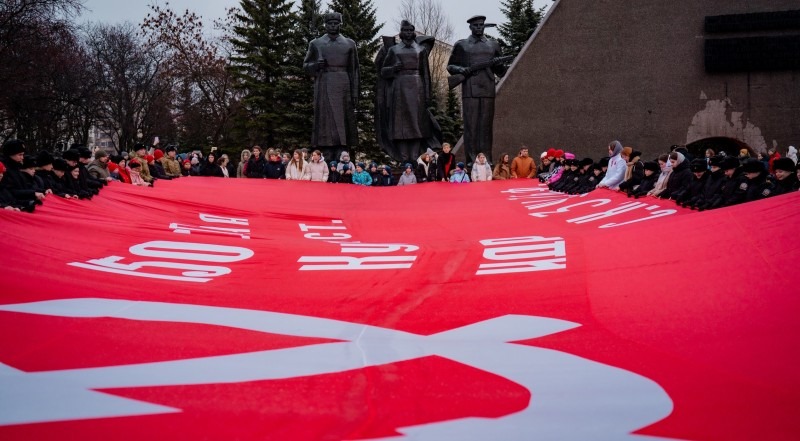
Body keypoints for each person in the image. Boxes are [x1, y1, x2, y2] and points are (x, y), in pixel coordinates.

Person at [447, 15, 507, 164]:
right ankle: (471, 158)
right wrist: (464, 70)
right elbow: (450, 66)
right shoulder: (462, 45)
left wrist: (497, 64)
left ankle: (486, 158)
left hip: (487, 89)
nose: (479, 27)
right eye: (476, 25)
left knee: (486, 126)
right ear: (470, 27)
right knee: (471, 126)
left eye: (481, 25)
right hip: (470, 90)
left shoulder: (493, 45)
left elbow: (501, 71)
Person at [303, 12, 359, 162]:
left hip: (343, 84)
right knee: (325, 121)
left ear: (340, 24)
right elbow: (306, 66)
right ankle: (326, 152)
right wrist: (316, 65)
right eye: (330, 23)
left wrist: (354, 93)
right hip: (324, 83)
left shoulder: (349, 44)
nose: (333, 26)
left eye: (336, 23)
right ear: (325, 25)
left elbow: (354, 70)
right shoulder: (316, 44)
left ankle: (342, 152)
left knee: (343, 121)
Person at [380, 20, 434, 164]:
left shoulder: (420, 50)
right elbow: (383, 71)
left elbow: (426, 74)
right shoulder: (394, 50)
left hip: (417, 87)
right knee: (401, 125)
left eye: (411, 30)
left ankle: (415, 157)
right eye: (405, 30)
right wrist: (393, 69)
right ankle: (404, 158)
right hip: (399, 88)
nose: (408, 33)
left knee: (417, 124)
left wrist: (428, 94)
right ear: (401, 32)